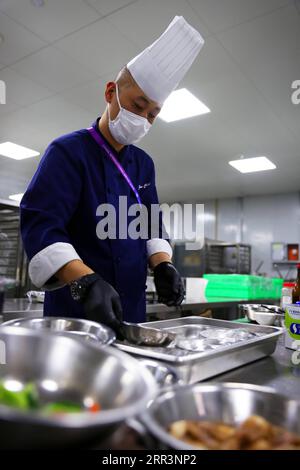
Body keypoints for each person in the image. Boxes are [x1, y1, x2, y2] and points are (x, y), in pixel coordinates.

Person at [20, 16, 204, 332]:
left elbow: (151, 222)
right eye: (138, 105)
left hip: (130, 307)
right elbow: (41, 223)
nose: (143, 119)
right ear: (110, 93)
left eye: (152, 114)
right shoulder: (67, 151)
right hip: (75, 308)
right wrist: (84, 280)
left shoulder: (144, 164)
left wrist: (163, 265)